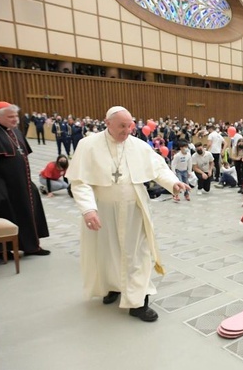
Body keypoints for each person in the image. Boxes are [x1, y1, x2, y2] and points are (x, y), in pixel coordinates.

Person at [67, 106, 189, 322]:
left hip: (134, 209)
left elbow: (159, 168)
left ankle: (138, 302)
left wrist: (174, 182)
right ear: (107, 123)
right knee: (107, 252)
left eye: (130, 126)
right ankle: (112, 286)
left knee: (137, 253)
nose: (127, 131)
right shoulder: (88, 145)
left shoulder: (139, 145)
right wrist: (88, 209)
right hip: (102, 210)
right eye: (122, 126)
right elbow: (79, 181)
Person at [0, 101, 50, 259]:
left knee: (28, 211)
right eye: (10, 117)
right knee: (4, 214)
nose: (15, 120)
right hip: (1, 185)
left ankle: (30, 246)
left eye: (16, 116)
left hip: (21, 183)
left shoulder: (15, 131)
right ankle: (1, 251)